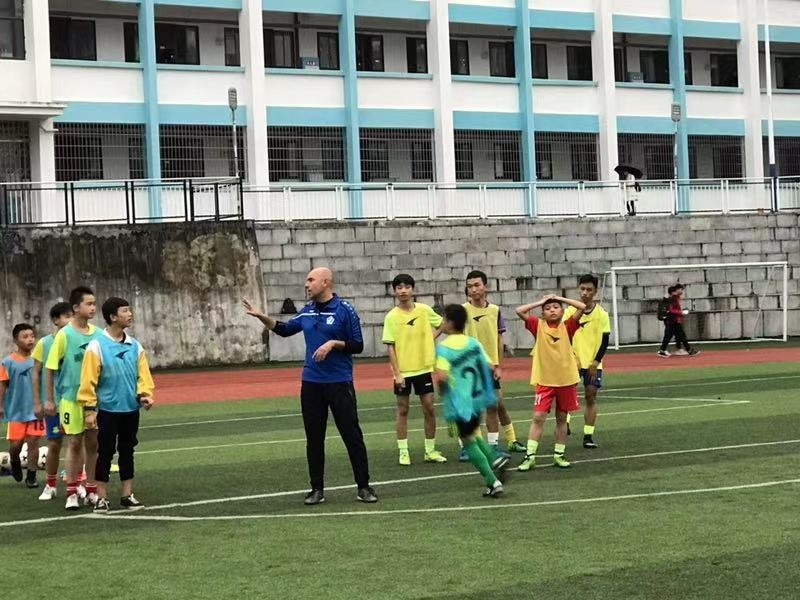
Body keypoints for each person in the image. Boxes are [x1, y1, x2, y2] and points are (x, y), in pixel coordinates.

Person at [243, 267, 377, 505]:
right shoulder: (306, 312)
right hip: (311, 384)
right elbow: (284, 330)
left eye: (311, 280)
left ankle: (364, 487)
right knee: (314, 438)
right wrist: (260, 316)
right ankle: (317, 489)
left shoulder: (345, 310)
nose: (306, 284)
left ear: (326, 282)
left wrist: (333, 343)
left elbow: (358, 345)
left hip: (339, 383)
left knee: (352, 435)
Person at [78, 298, 155, 512]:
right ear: (113, 317)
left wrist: (144, 395)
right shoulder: (96, 346)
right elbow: (88, 380)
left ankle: (127, 494)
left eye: (130, 310)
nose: (130, 314)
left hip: (130, 409)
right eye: (125, 311)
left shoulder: (135, 346)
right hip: (107, 410)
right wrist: (90, 409)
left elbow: (143, 376)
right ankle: (101, 497)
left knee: (128, 450)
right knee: (105, 452)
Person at [435, 304, 507, 498]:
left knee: (467, 441)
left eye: (443, 319)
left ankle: (493, 480)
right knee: (474, 434)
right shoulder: (473, 343)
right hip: (477, 398)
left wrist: (444, 392)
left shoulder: (444, 348)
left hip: (460, 401)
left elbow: (441, 376)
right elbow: (490, 366)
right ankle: (494, 460)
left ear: (449, 323)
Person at [45, 286, 104, 510]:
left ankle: (91, 488)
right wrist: (50, 399)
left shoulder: (99, 335)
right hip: (70, 398)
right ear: (76, 307)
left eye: (94, 303)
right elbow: (50, 368)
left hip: (95, 400)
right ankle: (71, 490)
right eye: (88, 304)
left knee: (93, 442)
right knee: (74, 441)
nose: (92, 308)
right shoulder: (65, 335)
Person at [515, 294, 586, 472]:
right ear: (542, 313)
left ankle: (559, 455)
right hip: (545, 380)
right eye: (548, 308)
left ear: (562, 311)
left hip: (566, 380)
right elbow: (519, 311)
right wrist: (541, 301)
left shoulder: (567, 325)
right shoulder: (537, 326)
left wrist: (560, 298)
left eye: (555, 307)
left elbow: (582, 307)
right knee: (538, 417)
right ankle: (530, 457)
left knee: (562, 418)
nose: (552, 310)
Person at [382, 274, 447, 466]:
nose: (403, 291)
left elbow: (443, 324)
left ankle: (430, 450)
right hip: (403, 371)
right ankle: (403, 451)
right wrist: (397, 373)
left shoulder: (425, 310)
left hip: (424, 368)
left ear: (413, 289)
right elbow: (390, 346)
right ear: (395, 291)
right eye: (399, 287)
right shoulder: (391, 317)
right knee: (403, 409)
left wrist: (430, 337)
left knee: (429, 408)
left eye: (407, 287)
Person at [462, 270, 526, 460]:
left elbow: (499, 339)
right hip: (469, 367)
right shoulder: (463, 310)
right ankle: (466, 447)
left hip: (490, 367)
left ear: (485, 287)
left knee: (493, 406)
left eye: (477, 285)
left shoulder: (495, 310)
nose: (473, 289)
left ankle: (493, 446)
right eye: (470, 285)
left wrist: (498, 365)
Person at [31, 302, 73, 500]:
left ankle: (78, 482)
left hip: (75, 402)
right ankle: (50, 484)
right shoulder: (44, 343)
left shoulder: (79, 340)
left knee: (77, 443)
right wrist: (39, 402)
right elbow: (36, 372)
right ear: (56, 320)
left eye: (71, 316)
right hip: (54, 403)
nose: (70, 320)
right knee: (54, 444)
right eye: (66, 316)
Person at [564, 275, 610, 449]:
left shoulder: (602, 314)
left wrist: (596, 361)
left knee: (590, 395)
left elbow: (605, 340)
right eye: (582, 289)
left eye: (589, 290)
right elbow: (565, 336)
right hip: (572, 362)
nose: (585, 293)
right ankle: (565, 423)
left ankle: (588, 436)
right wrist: (571, 357)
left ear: (595, 291)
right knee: (567, 394)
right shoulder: (570, 311)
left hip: (592, 363)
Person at [0, 323, 43, 488]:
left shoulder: (38, 361)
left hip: (35, 410)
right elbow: (3, 384)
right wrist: (1, 405)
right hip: (16, 411)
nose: (30, 340)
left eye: (32, 336)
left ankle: (31, 476)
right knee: (16, 445)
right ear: (16, 340)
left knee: (33, 442)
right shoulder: (8, 362)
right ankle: (14, 460)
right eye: (25, 337)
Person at [658, 284, 700, 358]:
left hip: (673, 320)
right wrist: (681, 312)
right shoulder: (672, 299)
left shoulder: (673, 298)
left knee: (670, 336)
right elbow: (671, 309)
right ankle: (689, 350)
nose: (681, 291)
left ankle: (663, 350)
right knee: (680, 335)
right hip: (673, 320)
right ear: (675, 291)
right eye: (680, 289)